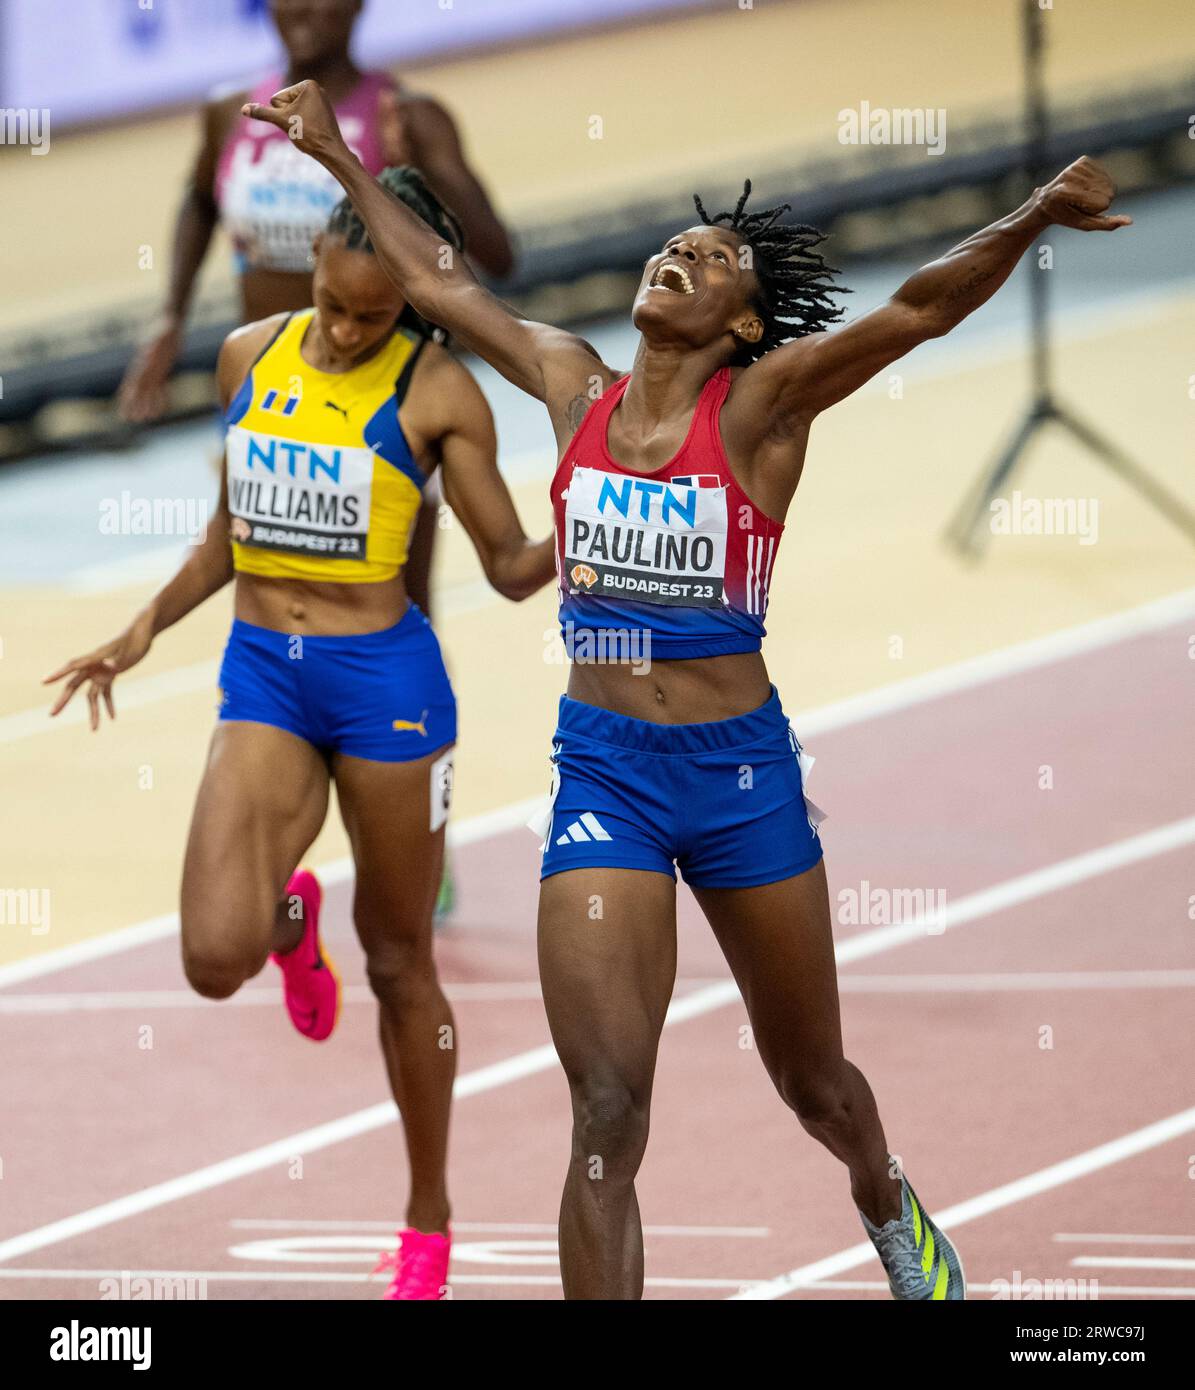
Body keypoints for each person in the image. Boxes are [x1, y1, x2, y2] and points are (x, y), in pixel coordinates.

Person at [250, 78, 1130, 1301]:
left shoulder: (766, 408)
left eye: (707, 258)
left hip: (740, 779)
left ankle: (882, 1196)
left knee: (812, 1081)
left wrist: (1033, 211)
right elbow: (446, 285)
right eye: (673, 243)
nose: (677, 255)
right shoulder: (573, 387)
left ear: (742, 319)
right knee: (606, 1112)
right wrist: (343, 160)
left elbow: (919, 310)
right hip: (605, 773)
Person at [46, 168, 554, 1301]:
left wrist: (593, 510)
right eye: (332, 302)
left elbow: (513, 569)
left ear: (411, 307)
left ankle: (427, 1220)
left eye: (372, 315)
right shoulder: (249, 355)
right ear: (314, 270)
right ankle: (289, 916)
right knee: (214, 958)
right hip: (263, 676)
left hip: (386, 690)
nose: (342, 328)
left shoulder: (437, 392)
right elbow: (228, 531)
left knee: (400, 958)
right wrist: (139, 629)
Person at [117, 0, 515, 764]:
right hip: (271, 393)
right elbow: (198, 201)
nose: (301, 6)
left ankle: (417, 833)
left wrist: (422, 171)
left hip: (383, 417)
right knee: (265, 607)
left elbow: (498, 256)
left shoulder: (409, 115)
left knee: (399, 620)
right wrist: (169, 315)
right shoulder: (227, 113)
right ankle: (276, 812)